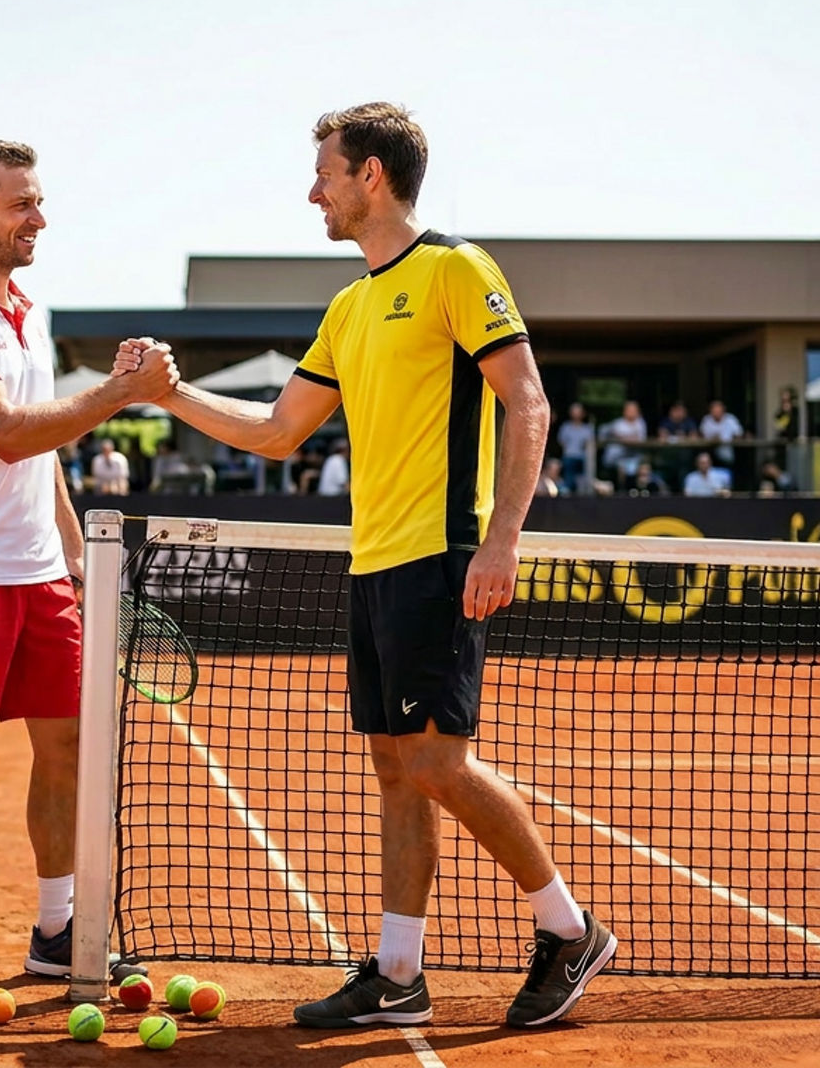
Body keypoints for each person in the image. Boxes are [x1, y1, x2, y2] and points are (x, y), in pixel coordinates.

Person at [114, 102, 614, 1030]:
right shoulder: (347, 305)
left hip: (442, 552)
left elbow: (528, 403)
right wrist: (169, 393)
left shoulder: (455, 270)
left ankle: (569, 927)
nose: (315, 190)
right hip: (375, 559)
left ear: (371, 175)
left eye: (326, 173)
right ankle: (397, 976)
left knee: (434, 760)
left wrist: (502, 539)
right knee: (395, 769)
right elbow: (275, 431)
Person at [0, 138, 177, 1005]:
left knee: (65, 748)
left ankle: (56, 931)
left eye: (39, 202)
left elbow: (40, 452)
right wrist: (121, 393)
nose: (38, 219)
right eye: (20, 204)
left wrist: (78, 553)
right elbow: (8, 429)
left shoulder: (26, 311)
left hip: (40, 574)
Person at [600, 401, 646, 487]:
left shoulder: (640, 423)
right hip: (617, 458)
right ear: (624, 411)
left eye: (634, 410)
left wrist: (624, 437)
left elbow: (638, 439)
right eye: (630, 410)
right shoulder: (618, 423)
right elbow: (603, 431)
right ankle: (621, 492)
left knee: (640, 467)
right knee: (621, 468)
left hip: (634, 457)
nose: (632, 413)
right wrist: (627, 437)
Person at [555, 403, 593, 495]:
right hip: (569, 455)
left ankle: (584, 491)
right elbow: (561, 442)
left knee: (585, 472)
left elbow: (589, 445)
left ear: (583, 414)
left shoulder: (587, 429)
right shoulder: (566, 427)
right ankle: (567, 490)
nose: (576, 414)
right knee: (569, 473)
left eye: (578, 412)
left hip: (582, 457)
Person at [699, 399, 745, 467]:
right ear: (710, 411)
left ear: (723, 411)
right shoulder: (706, 419)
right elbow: (701, 434)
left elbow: (739, 434)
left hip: (727, 449)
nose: (717, 413)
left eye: (719, 411)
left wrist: (733, 438)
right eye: (714, 411)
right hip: (709, 449)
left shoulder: (730, 419)